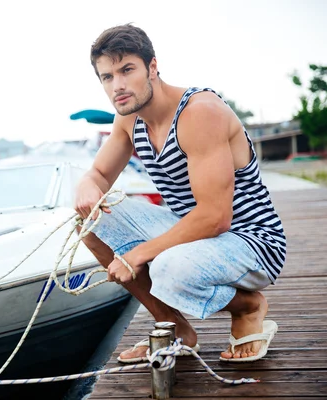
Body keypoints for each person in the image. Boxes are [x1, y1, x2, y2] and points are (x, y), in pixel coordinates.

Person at [74, 24, 286, 362]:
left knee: (167, 268)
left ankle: (249, 307)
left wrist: (138, 254)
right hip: (195, 235)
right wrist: (87, 183)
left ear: (152, 67)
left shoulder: (199, 112)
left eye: (127, 70)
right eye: (107, 77)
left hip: (252, 241)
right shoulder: (128, 119)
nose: (119, 85)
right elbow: (99, 174)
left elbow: (216, 217)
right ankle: (174, 327)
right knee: (89, 221)